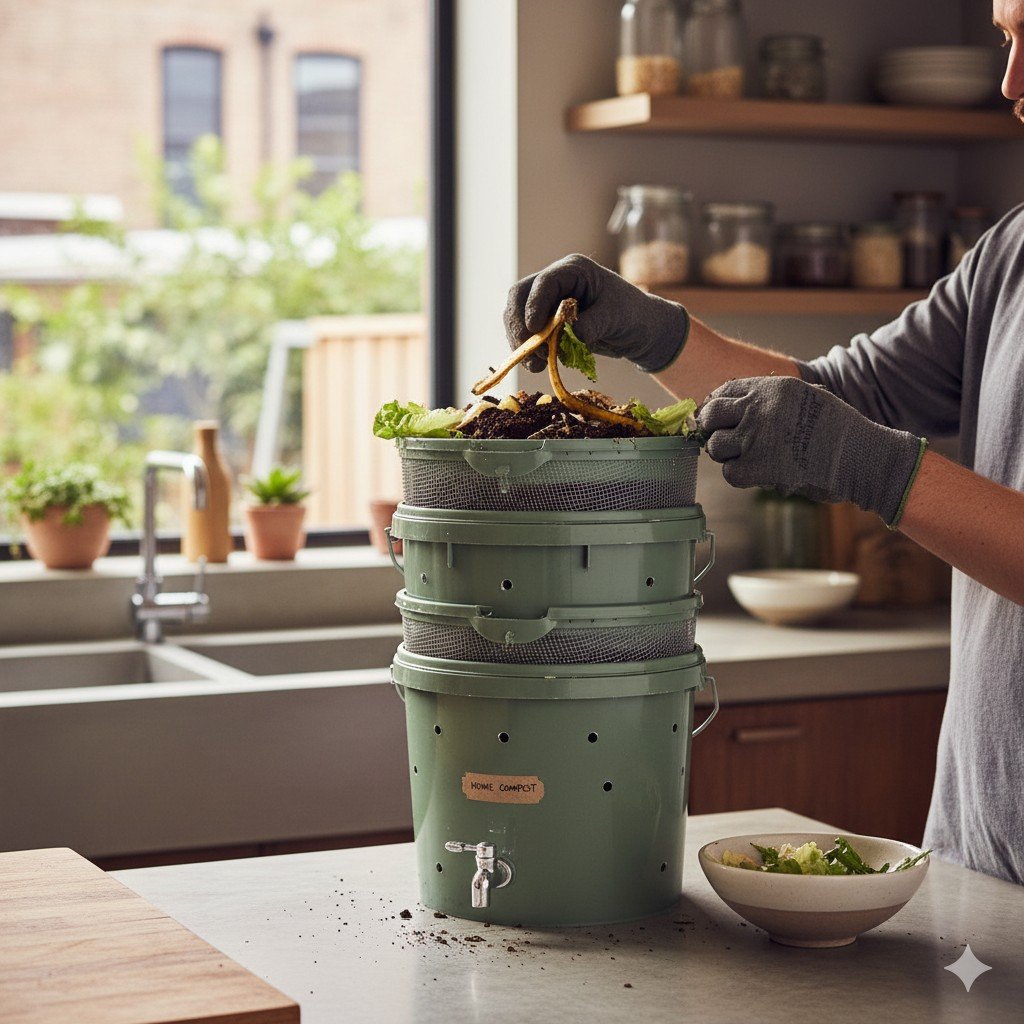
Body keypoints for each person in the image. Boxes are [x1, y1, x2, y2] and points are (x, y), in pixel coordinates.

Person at [502, 1, 1024, 885]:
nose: (1011, 84)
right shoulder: (1011, 254)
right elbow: (832, 400)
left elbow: (849, 439)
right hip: (981, 853)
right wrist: (654, 333)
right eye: (1009, 39)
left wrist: (868, 464)